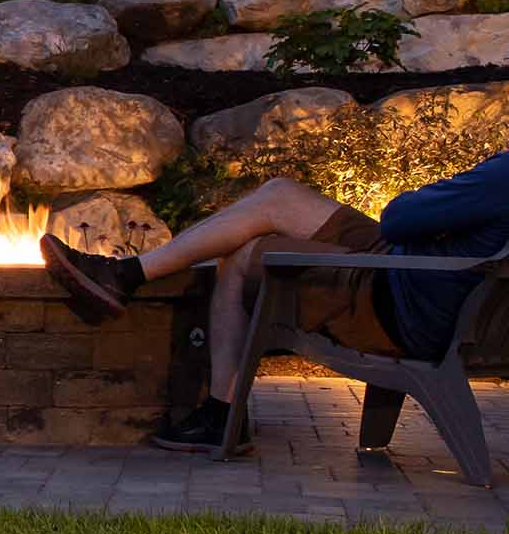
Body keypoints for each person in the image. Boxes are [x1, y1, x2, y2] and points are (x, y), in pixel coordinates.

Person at [41, 146, 509, 453]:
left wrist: (460, 195)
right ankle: (125, 273)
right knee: (278, 196)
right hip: (434, 286)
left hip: (396, 296)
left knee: (240, 255)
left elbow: (399, 216)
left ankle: (222, 414)